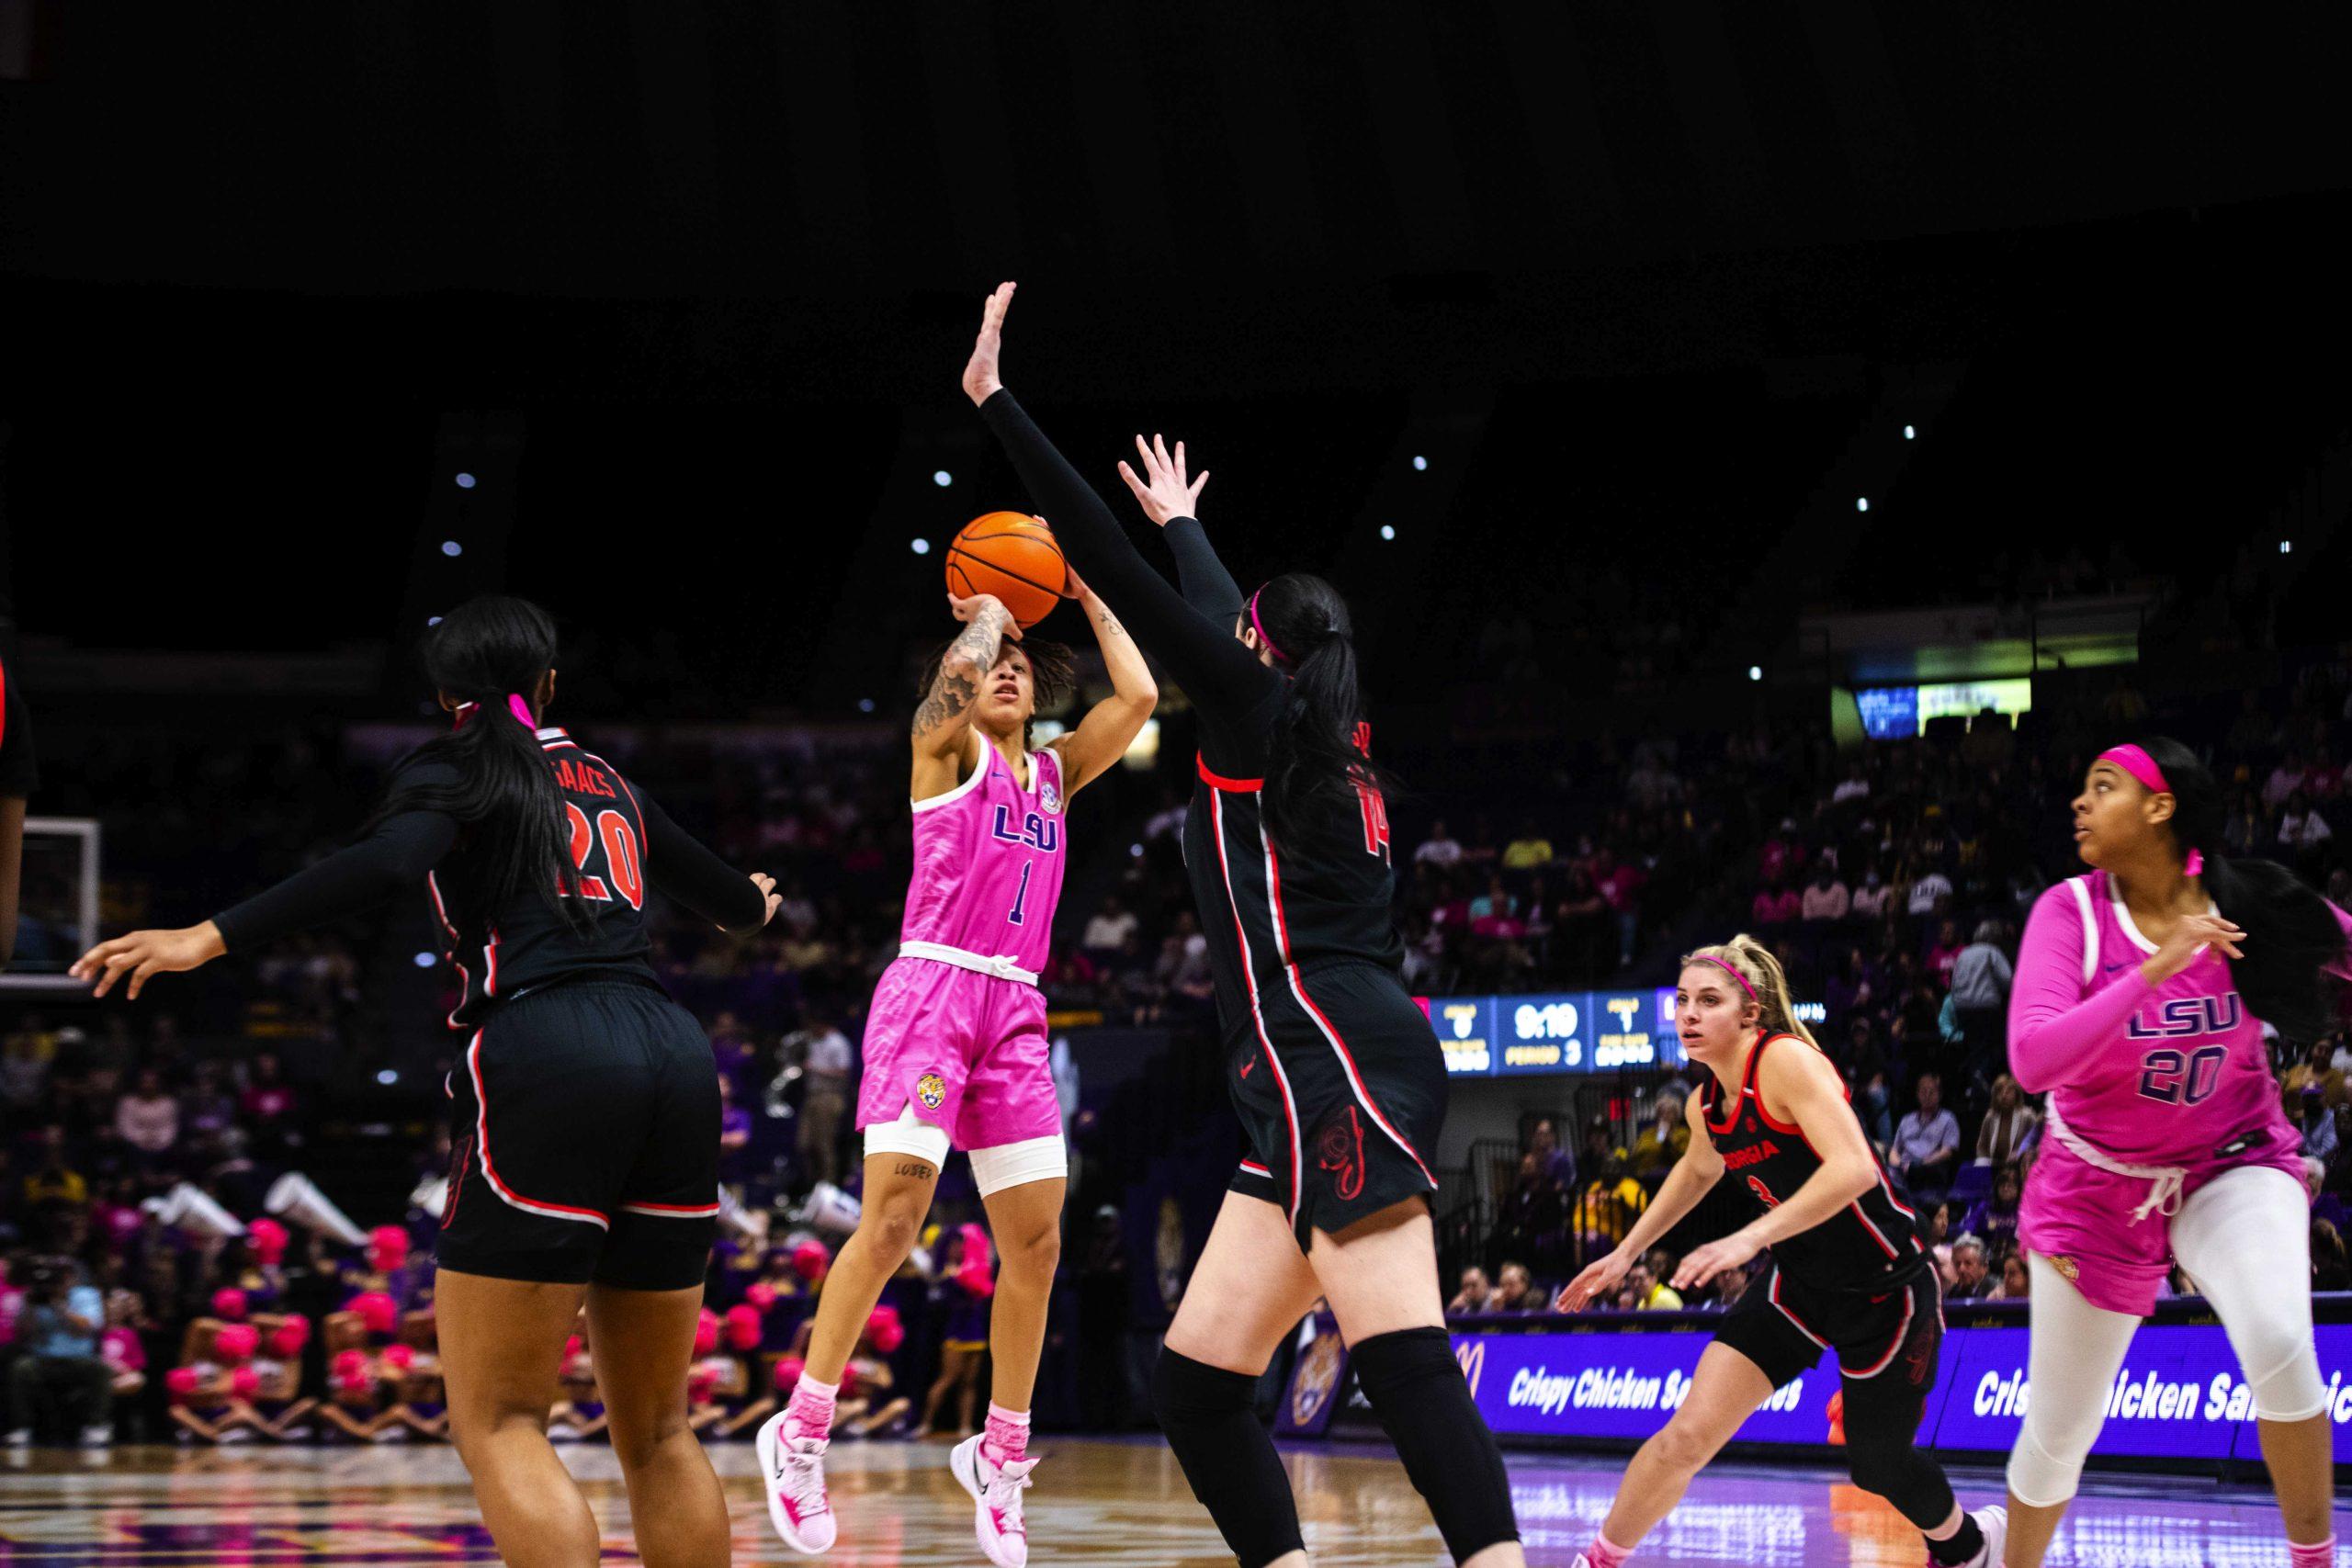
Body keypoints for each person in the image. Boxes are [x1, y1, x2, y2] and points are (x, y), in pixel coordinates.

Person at [967, 282, 1522, 1568]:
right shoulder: (1320, 727)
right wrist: (1192, 524)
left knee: (1402, 1359)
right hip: (1315, 1072)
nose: (1222, 631)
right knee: (1198, 1382)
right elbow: (1218, 619)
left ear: (1254, 648)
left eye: (1235, 628)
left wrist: (999, 405)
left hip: (1330, 1058)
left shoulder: (1253, 714)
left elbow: (1104, 563)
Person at [71, 597, 777, 1568]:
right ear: (549, 685)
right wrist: (759, 898)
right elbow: (737, 906)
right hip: (673, 1051)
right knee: (658, 1430)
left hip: (547, 1046)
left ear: (446, 695)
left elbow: (389, 861)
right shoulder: (608, 778)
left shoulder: (456, 767)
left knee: (500, 1421)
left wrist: (210, 935)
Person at [760, 552, 1153, 1568]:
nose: (1011, 670)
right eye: (996, 663)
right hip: (931, 995)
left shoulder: (1055, 774)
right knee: (891, 1221)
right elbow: (938, 703)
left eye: (1025, 663)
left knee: (1036, 1248)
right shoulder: (946, 753)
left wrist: (1082, 595)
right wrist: (985, 616)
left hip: (1016, 1010)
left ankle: (1002, 1455)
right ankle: (801, 1430)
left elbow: (1143, 693)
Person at [1997, 739, 2352, 1568]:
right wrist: (2154, 969)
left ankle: (2314, 1560)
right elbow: (2033, 1060)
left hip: (2233, 1159)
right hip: (2094, 1184)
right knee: (2059, 1432)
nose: (2080, 803)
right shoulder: (2070, 912)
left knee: (2277, 1338)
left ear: (2160, 806)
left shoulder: (2248, 899)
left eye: (2104, 786)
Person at [1556, 937, 2002, 1568]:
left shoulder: (1786, 1062)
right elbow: (1695, 1170)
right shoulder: (1706, 1102)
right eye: (1682, 999)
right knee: (1685, 1436)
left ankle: (1970, 1547)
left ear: (1749, 1011)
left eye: (1708, 1000)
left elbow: (1854, 1170)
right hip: (1797, 1281)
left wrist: (1748, 1236)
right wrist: (1627, 1251)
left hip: (1888, 1284)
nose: (1688, 1013)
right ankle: (1596, 1561)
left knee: (1878, 1463)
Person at [4, 1256, 112, 1448]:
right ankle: (21, 1428)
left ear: (71, 1277)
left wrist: (59, 1306)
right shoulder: (34, 1297)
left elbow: (87, 1327)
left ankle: (96, 1426)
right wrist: (30, 1305)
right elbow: (25, 1333)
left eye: (62, 1277)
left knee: (101, 1369)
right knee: (20, 1368)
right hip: (43, 1360)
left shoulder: (86, 1295)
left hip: (79, 1361)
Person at [790, 1012, 854, 1190]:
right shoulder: (812, 1040)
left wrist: (816, 1069)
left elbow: (843, 1073)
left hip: (830, 1097)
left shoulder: (838, 1043)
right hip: (812, 1096)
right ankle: (812, 1186)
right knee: (805, 1143)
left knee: (824, 1145)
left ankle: (829, 1189)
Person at [1892, 1073, 1961, 1202]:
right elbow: (1894, 1151)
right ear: (1917, 1094)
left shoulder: (1948, 1119)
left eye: (1931, 1091)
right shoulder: (1907, 1120)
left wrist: (1920, 1164)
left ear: (1939, 1095)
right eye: (1923, 1091)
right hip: (1904, 1171)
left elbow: (1947, 1152)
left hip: (1929, 1170)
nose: (1927, 1095)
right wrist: (1899, 1165)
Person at [1975, 1075, 2041, 1168]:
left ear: (2016, 1094)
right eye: (2000, 1091)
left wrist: (2020, 1153)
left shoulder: (2027, 1116)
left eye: (2008, 1091)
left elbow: (2039, 1142)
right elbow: (1982, 1146)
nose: (2003, 1095)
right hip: (1993, 1165)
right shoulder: (1990, 1116)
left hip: (2020, 1165)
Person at [1944, 1235, 1992, 1301]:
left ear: (1984, 1267)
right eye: (1958, 1264)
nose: (1961, 1269)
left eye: (1968, 1263)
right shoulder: (1950, 1295)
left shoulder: (1995, 1292)